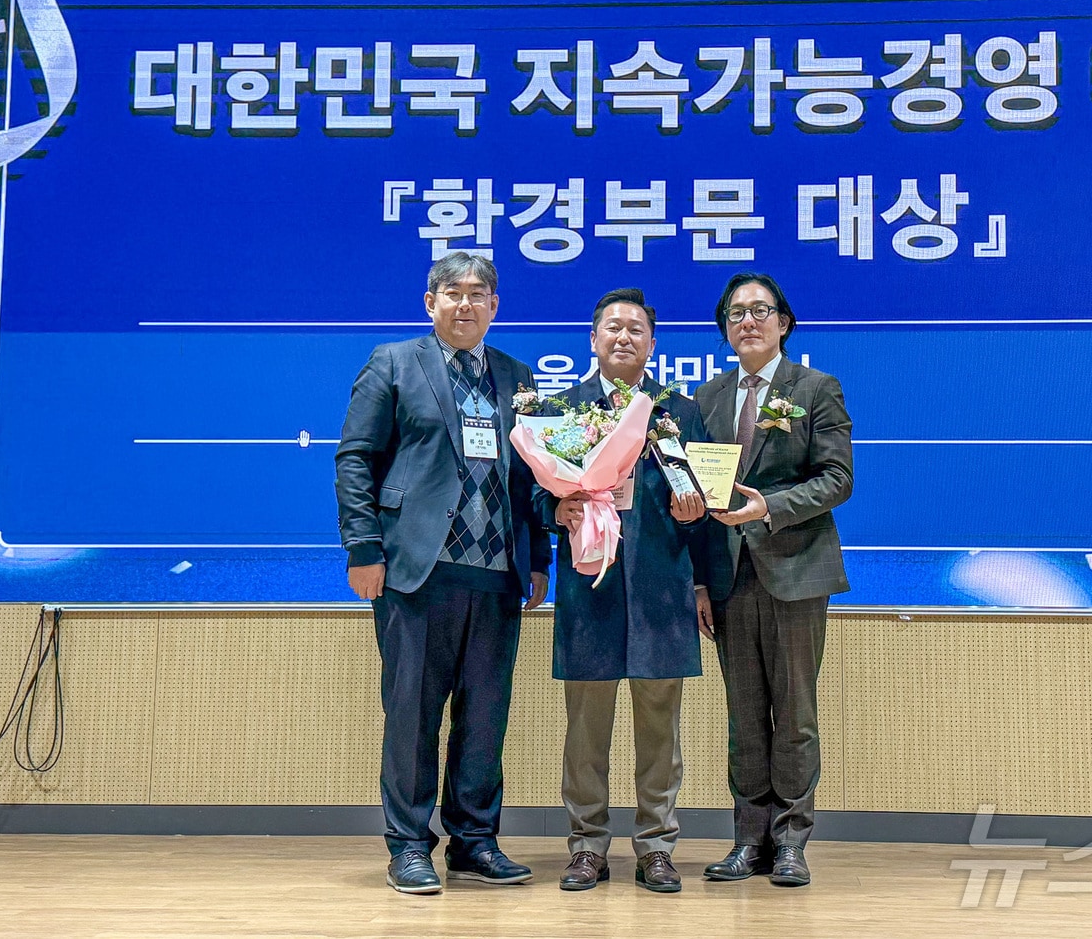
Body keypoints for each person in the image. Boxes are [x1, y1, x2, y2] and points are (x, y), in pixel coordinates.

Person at [335, 252, 550, 895]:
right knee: (412, 712)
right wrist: (363, 549)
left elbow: (536, 479)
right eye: (451, 293)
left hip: (496, 574)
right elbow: (355, 461)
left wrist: (537, 558)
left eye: (478, 294)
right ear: (430, 304)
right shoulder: (394, 363)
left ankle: (475, 841)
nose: (465, 304)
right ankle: (408, 843)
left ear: (494, 307)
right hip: (415, 573)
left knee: (486, 716)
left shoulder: (517, 378)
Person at [534, 288, 711, 894]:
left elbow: (708, 504)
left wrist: (696, 512)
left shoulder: (680, 412)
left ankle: (656, 847)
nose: (624, 337)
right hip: (592, 586)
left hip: (662, 586)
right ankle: (587, 846)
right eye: (613, 327)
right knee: (585, 727)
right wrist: (557, 504)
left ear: (652, 345)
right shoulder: (561, 410)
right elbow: (534, 495)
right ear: (592, 339)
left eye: (637, 329)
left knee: (660, 727)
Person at [692, 272, 853, 887]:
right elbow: (698, 497)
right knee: (743, 713)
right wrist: (700, 583)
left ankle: (791, 839)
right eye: (736, 313)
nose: (748, 321)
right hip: (729, 579)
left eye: (760, 310)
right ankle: (748, 841)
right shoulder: (706, 399)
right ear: (725, 328)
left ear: (783, 322)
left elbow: (838, 479)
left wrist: (770, 507)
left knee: (795, 711)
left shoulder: (815, 388)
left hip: (795, 573)